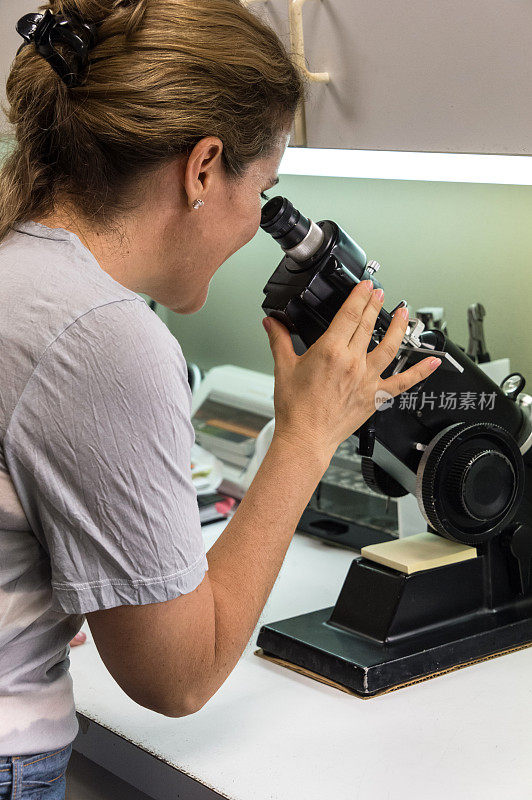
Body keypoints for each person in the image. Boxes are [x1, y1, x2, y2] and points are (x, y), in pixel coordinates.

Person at [0, 0, 441, 796]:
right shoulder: (103, 336)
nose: (255, 225)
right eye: (262, 187)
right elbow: (178, 678)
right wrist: (307, 436)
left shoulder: (19, 270)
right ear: (203, 169)